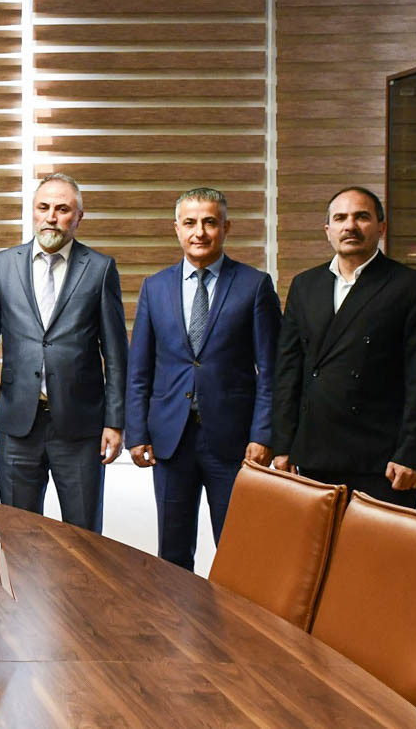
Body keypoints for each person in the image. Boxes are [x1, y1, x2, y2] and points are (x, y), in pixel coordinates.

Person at [125, 188, 281, 570]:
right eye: (190, 223)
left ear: (226, 227)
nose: (200, 232)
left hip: (233, 441)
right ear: (176, 228)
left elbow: (271, 370)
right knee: (173, 553)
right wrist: (137, 432)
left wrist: (263, 435)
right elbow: (139, 369)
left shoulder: (254, 285)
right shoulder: (154, 287)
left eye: (210, 222)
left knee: (238, 553)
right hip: (170, 440)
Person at [0, 173, 127, 533]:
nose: (51, 217)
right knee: (17, 535)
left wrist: (115, 422)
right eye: (43, 207)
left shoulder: (100, 269)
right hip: (16, 426)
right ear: (33, 211)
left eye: (62, 209)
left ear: (79, 217)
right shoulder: (3, 265)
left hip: (81, 428)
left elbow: (117, 355)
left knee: (84, 537)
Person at [272, 186, 416, 507]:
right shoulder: (305, 285)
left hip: (384, 460)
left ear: (381, 227)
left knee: (380, 543)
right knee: (316, 543)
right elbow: (288, 372)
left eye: (361, 217)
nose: (350, 226)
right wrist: (282, 445)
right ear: (328, 230)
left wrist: (411, 453)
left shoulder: (411, 287)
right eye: (340, 218)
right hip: (313, 454)